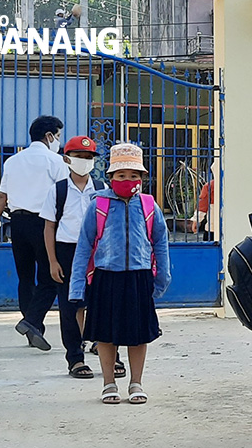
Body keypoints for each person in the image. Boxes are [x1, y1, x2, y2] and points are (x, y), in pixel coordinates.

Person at [69, 143, 171, 404]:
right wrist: (77, 286)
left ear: (142, 178)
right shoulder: (98, 205)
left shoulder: (149, 206)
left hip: (139, 277)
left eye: (134, 175)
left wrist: (162, 277)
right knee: (106, 334)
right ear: (111, 177)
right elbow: (84, 247)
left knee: (138, 335)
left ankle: (136, 383)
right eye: (122, 175)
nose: (128, 180)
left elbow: (160, 241)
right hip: (106, 277)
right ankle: (109, 383)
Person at [0, 115, 69, 351]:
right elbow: (64, 195)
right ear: (50, 136)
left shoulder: (12, 161)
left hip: (17, 224)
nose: (59, 141)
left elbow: (2, 197)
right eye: (59, 136)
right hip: (44, 224)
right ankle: (31, 321)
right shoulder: (55, 161)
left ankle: (34, 330)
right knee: (51, 277)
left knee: (25, 277)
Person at [40, 136, 111, 379]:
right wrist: (52, 260)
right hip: (67, 252)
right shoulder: (57, 190)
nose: (85, 162)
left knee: (102, 304)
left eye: (89, 157)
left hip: (97, 253)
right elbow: (49, 227)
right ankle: (75, 358)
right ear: (67, 159)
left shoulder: (102, 189)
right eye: (80, 157)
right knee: (71, 307)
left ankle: (109, 352)